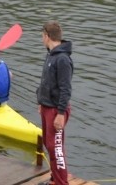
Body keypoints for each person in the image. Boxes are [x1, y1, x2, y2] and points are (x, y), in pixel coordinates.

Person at [37, 21, 73, 185]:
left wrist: (60, 114)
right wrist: (41, 102)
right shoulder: (50, 55)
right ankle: (55, 179)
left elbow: (65, 89)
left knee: (56, 149)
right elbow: (46, 82)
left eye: (42, 36)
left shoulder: (63, 59)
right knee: (49, 144)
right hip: (46, 106)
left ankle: (61, 182)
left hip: (56, 110)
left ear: (47, 36)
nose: (41, 39)